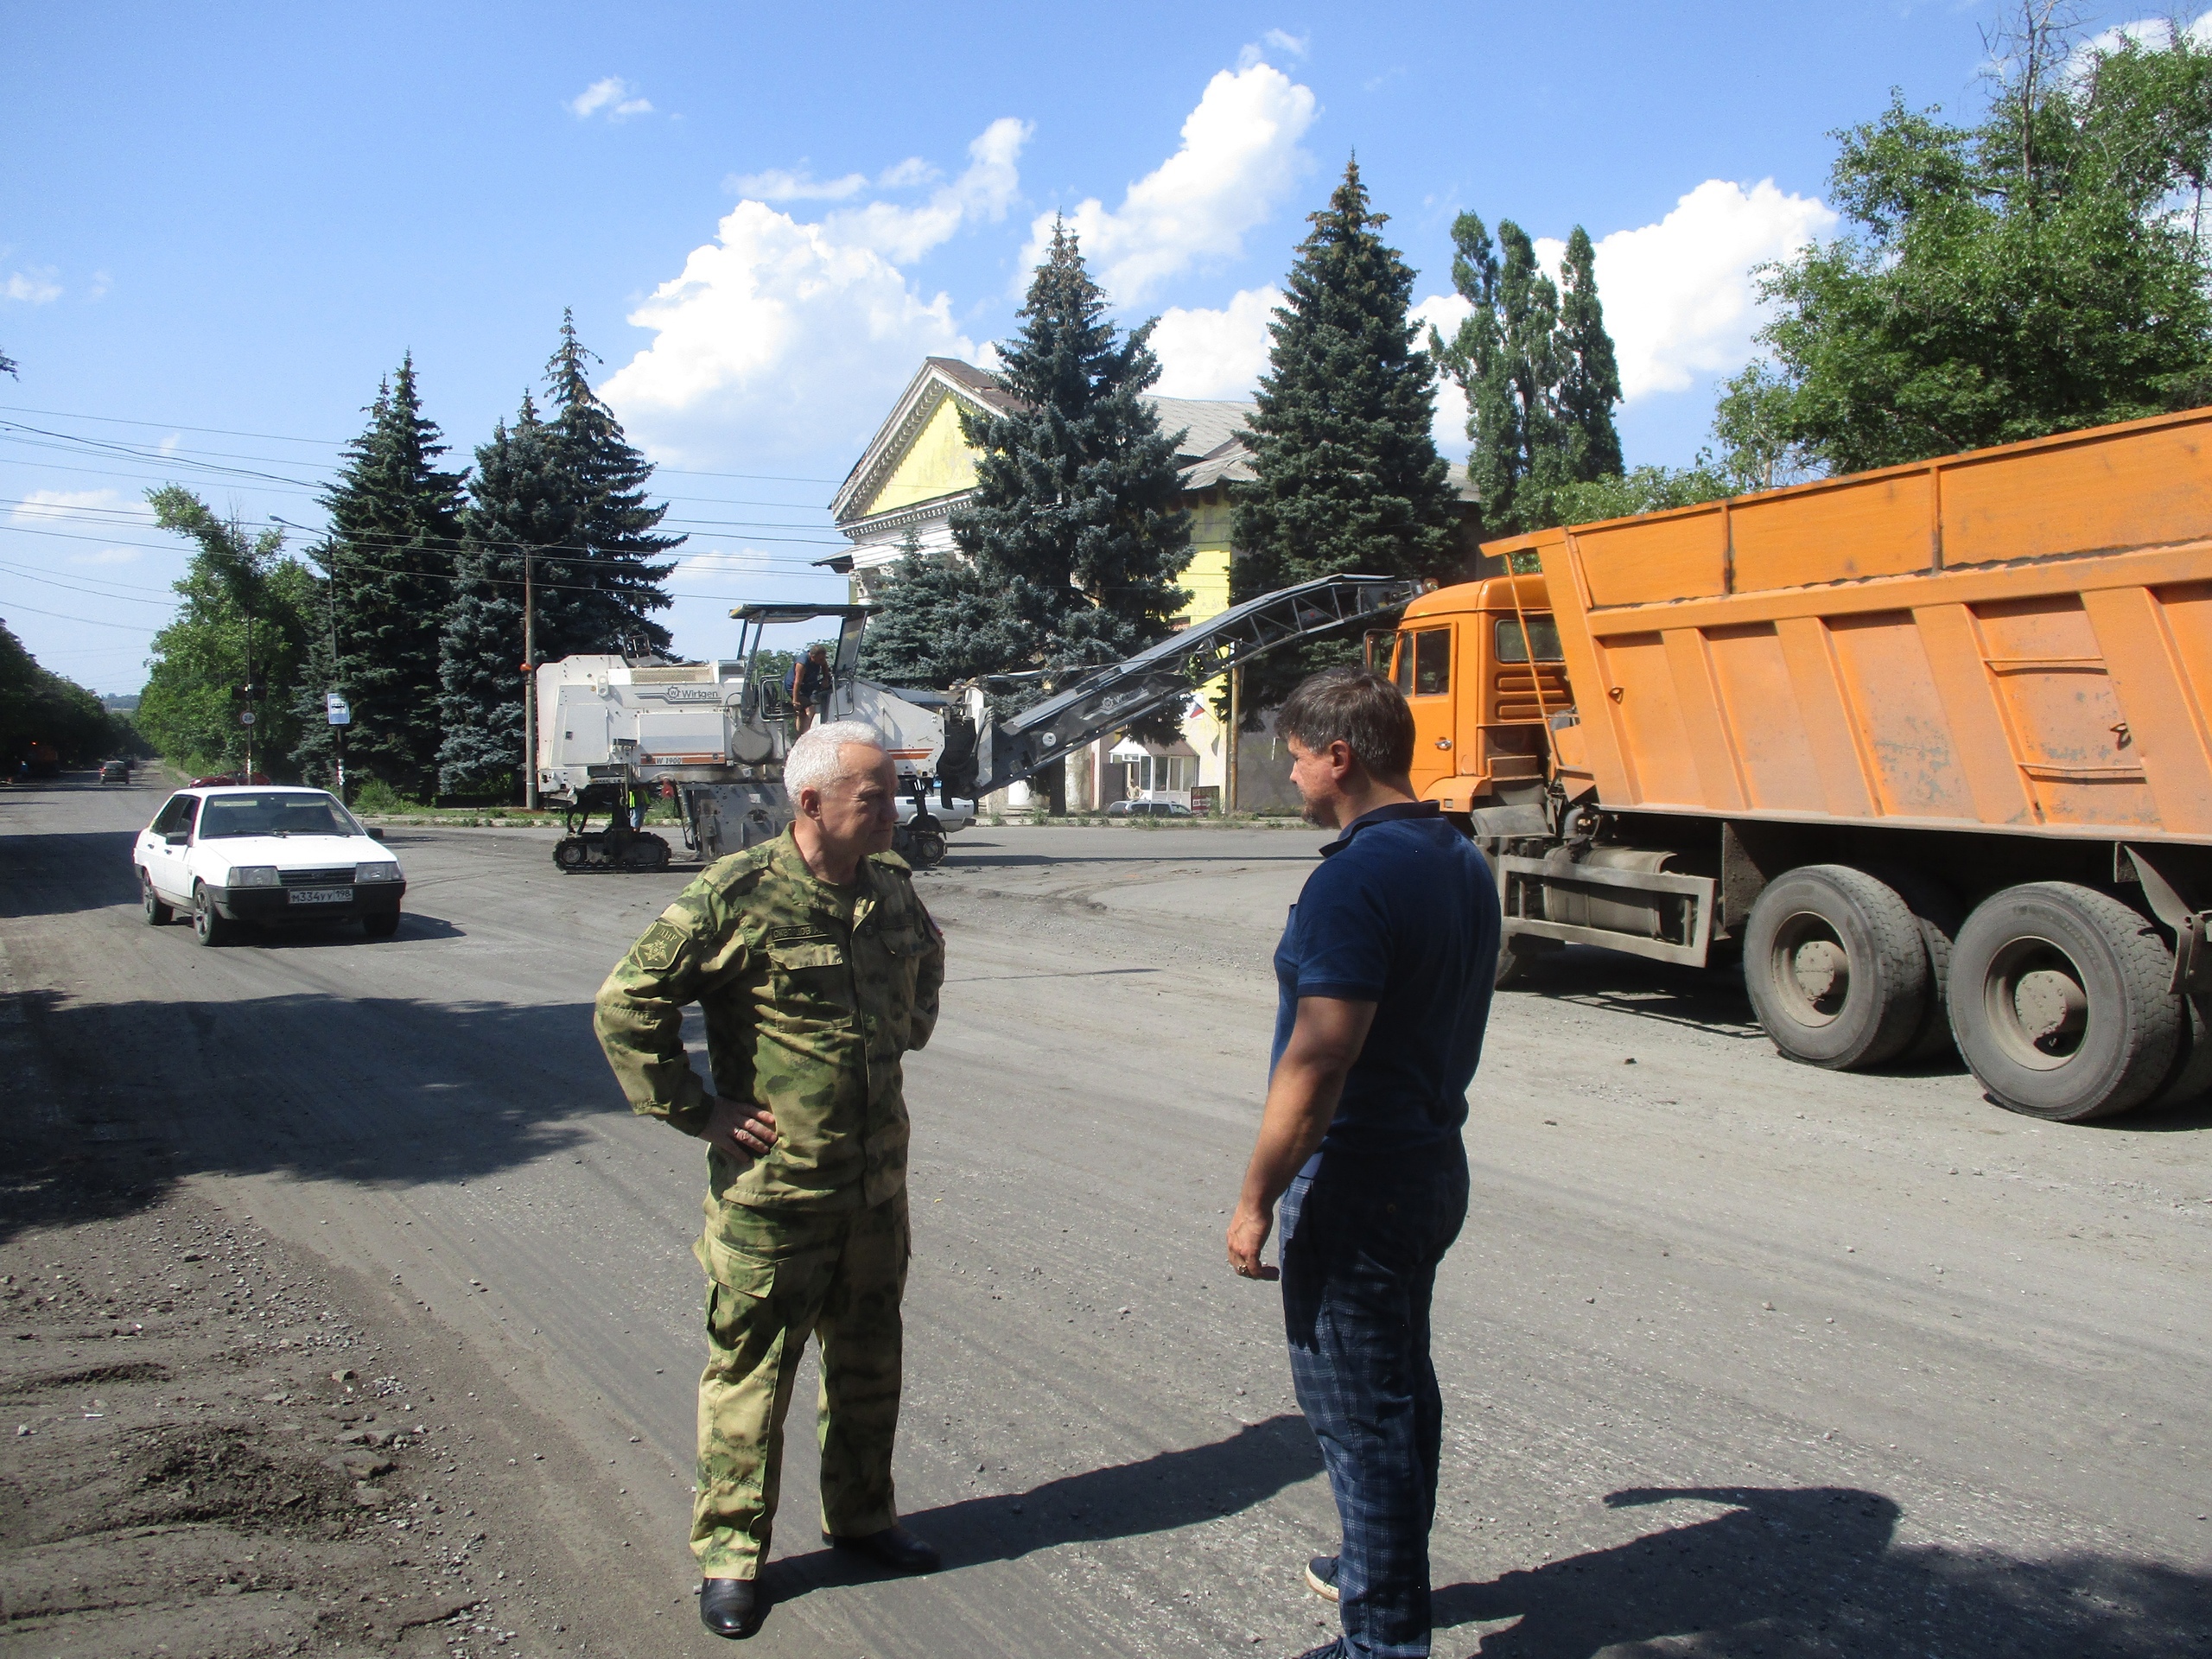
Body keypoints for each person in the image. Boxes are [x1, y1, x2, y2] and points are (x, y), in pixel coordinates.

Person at [594, 719, 946, 1641]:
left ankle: (863, 1517)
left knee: (870, 1364)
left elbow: (925, 977)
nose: (892, 814)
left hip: (873, 1190)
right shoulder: (736, 895)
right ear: (811, 803)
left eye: (892, 795)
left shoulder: (893, 892)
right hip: (774, 1198)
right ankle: (731, 1557)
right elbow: (626, 1003)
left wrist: (901, 1029)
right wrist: (697, 1110)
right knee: (750, 1376)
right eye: (874, 799)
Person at [1225, 667, 1500, 1659]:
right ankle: (1379, 1564)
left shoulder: (1354, 879)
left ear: (1338, 757)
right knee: (1395, 1381)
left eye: (1295, 756)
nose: (1289, 774)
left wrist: (1255, 1198)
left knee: (1356, 1411)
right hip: (1430, 1161)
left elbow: (1320, 1057)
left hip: (1358, 1178)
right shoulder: (1457, 857)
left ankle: (1382, 1639)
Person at [790, 644, 830, 734]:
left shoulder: (820, 660)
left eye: (824, 659)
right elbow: (797, 682)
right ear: (812, 657)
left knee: (802, 714)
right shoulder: (802, 663)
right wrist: (795, 700)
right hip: (794, 687)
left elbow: (824, 667)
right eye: (820, 659)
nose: (823, 661)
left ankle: (800, 735)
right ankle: (806, 734)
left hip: (806, 686)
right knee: (810, 708)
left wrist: (825, 679)